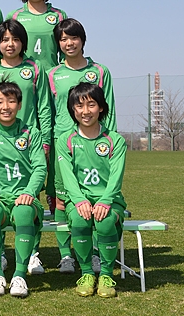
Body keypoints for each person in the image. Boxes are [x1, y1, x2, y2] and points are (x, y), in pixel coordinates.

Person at [0, 19, 53, 274]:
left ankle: (32, 253)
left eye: (15, 39)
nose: (10, 44)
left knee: (29, 195)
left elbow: (44, 106)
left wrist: (45, 140)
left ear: (23, 42)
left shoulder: (34, 68)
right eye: (4, 40)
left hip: (28, 139)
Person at [48, 18, 117, 274]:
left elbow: (109, 108)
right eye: (63, 39)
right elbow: (48, 110)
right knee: (62, 200)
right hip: (63, 142)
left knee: (95, 197)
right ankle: (66, 255)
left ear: (83, 40)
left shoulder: (100, 71)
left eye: (73, 37)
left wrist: (109, 141)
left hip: (95, 144)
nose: (69, 43)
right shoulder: (53, 74)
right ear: (58, 44)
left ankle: (95, 253)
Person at [0, 82, 46, 298]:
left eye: (11, 101)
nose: (6, 107)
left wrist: (29, 192)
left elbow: (40, 167)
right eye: (0, 102)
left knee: (24, 212)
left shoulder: (31, 133)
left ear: (20, 105)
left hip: (24, 198)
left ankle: (19, 276)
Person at [58, 83, 126, 298]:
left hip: (109, 199)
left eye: (91, 105)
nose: (85, 111)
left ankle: (106, 275)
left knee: (105, 221)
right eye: (79, 106)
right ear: (73, 110)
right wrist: (79, 200)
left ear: (101, 107)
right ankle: (87, 273)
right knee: (80, 220)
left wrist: (105, 201)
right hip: (79, 200)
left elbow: (116, 176)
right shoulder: (65, 140)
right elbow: (68, 177)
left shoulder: (115, 140)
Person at [7, 0, 67, 70]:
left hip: (50, 75)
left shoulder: (59, 16)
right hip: (23, 74)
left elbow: (65, 53)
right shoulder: (14, 16)